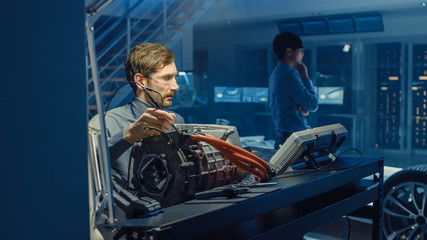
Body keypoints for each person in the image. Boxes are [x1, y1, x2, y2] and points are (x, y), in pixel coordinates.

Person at [89, 43, 184, 184]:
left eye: (175, 77)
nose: (175, 86)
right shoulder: (106, 122)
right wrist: (127, 136)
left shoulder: (177, 121)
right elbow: (87, 162)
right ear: (140, 81)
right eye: (167, 78)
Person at [269, 32, 318, 149]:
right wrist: (305, 77)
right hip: (293, 139)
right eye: (301, 50)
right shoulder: (289, 76)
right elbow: (312, 104)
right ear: (289, 51)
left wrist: (299, 108)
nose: (303, 55)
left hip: (283, 136)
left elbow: (289, 103)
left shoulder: (276, 74)